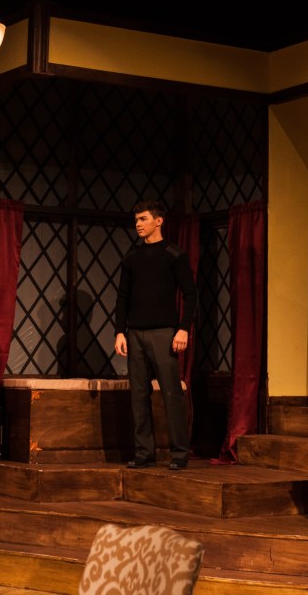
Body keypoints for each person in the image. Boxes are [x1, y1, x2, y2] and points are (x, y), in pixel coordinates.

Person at [114, 200, 198, 470]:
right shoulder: (132, 257)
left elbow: (191, 295)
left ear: (158, 221)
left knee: (171, 394)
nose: (138, 224)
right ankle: (144, 452)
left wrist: (183, 328)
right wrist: (119, 332)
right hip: (135, 333)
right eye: (136, 220)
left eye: (143, 219)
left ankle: (179, 453)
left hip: (164, 333)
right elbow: (122, 297)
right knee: (138, 395)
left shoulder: (174, 254)